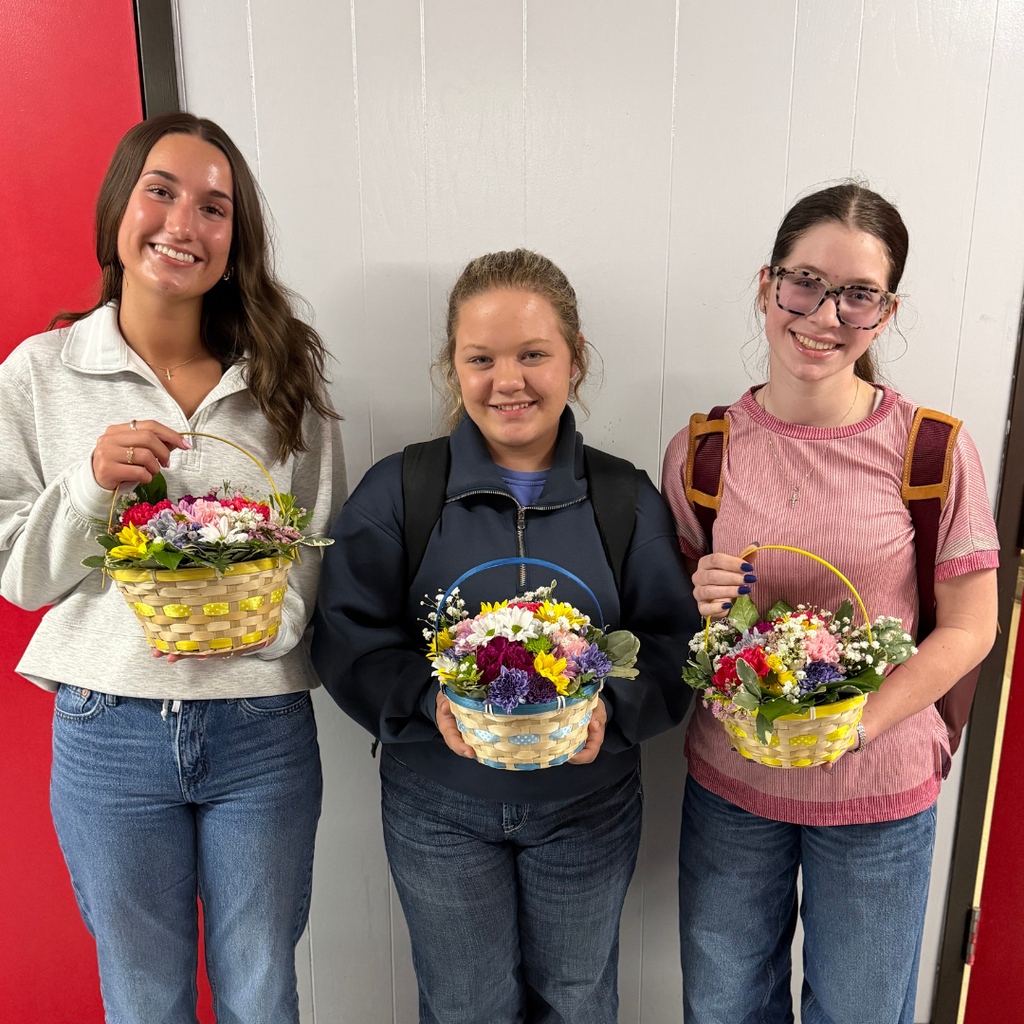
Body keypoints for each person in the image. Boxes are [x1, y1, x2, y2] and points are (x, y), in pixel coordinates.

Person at [0, 112, 345, 1024]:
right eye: (161, 190)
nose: (183, 224)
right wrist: (85, 486)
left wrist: (269, 632)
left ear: (235, 245)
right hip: (108, 731)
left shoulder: (281, 376)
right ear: (120, 209)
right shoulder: (42, 372)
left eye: (214, 207)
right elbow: (17, 576)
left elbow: (317, 546)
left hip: (260, 729)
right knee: (145, 997)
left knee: (262, 988)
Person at [312, 249, 699, 1024]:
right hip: (439, 809)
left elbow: (672, 643)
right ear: (452, 366)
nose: (508, 381)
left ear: (575, 359)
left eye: (533, 354)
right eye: (480, 358)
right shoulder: (402, 489)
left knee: (579, 999)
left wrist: (611, 711)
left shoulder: (624, 498)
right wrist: (426, 701)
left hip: (588, 807)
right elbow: (346, 635)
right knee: (464, 1006)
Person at [661, 183, 999, 1024]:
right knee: (724, 1009)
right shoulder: (701, 451)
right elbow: (674, 621)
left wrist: (862, 722)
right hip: (733, 790)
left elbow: (971, 627)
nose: (825, 314)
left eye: (859, 295)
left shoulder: (932, 451)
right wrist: (699, 599)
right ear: (766, 285)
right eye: (805, 282)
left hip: (880, 796)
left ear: (885, 313)